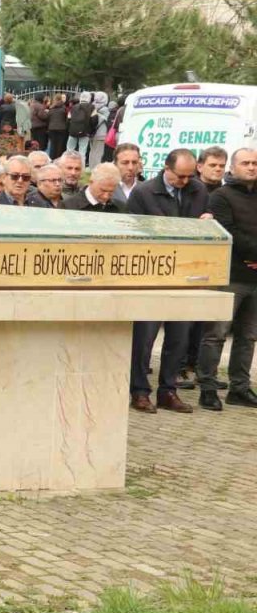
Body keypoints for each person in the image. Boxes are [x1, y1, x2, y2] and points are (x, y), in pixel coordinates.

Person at [124, 148, 207, 414]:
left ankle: (168, 391)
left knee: (179, 337)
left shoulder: (198, 190)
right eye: (180, 176)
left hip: (183, 274)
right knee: (144, 338)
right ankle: (139, 391)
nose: (185, 181)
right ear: (166, 169)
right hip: (151, 274)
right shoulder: (144, 193)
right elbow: (133, 232)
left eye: (189, 176)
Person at [198, 148, 257, 411]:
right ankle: (208, 387)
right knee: (216, 334)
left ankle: (240, 388)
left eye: (255, 163)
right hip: (230, 275)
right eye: (246, 163)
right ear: (233, 167)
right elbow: (228, 232)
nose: (252, 167)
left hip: (254, 278)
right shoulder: (221, 196)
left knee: (248, 336)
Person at [67, 91, 96, 158]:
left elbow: (68, 119)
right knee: (82, 151)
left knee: (69, 150)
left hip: (73, 131)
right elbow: (94, 120)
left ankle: (67, 162)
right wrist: (91, 130)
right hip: (85, 132)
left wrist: (70, 128)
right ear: (89, 98)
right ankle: (81, 164)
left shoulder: (73, 107)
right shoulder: (92, 107)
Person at [46, 93, 69, 159]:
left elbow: (48, 119)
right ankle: (59, 159)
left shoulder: (51, 108)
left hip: (52, 128)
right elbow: (66, 119)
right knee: (60, 146)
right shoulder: (64, 108)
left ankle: (52, 159)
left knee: (53, 145)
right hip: (62, 128)